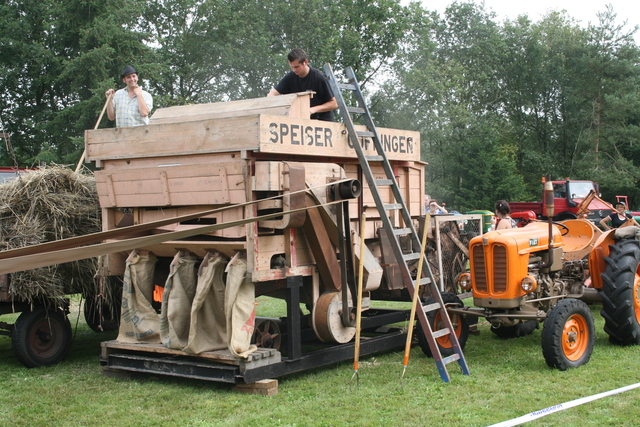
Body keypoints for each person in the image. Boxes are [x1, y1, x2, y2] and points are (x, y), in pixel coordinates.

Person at [267, 48, 338, 121]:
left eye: (297, 67)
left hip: (323, 123)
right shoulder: (290, 77)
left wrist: (311, 110)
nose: (294, 70)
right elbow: (272, 95)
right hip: (301, 122)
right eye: (292, 67)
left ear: (306, 62)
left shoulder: (319, 78)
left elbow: (334, 103)